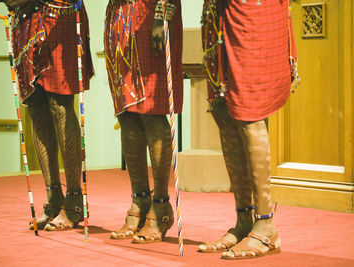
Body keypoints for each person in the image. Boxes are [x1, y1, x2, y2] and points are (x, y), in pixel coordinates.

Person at [198, 0, 299, 259]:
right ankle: (244, 220)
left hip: (252, 11)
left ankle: (265, 225)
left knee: (248, 112)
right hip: (219, 12)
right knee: (224, 111)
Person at [0, 0, 94, 231]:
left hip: (58, 12)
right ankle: (54, 197)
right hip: (25, 19)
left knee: (60, 105)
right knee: (36, 106)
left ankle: (75, 200)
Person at [104, 0, 183, 243]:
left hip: (151, 14)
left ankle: (160, 204)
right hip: (118, 17)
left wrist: (162, 15)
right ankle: (139, 200)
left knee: (151, 110)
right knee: (127, 114)